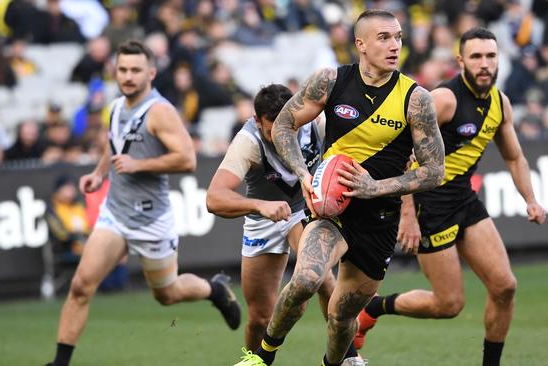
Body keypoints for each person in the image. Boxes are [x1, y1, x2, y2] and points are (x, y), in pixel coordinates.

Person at [233, 9, 445, 366]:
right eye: (384, 38)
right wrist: (303, 174)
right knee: (306, 279)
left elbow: (435, 171)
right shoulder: (331, 81)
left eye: (398, 38)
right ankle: (263, 356)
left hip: (379, 218)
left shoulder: (416, 99)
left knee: (342, 315)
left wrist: (373, 187)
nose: (394, 46)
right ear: (360, 44)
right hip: (332, 211)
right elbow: (284, 123)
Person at [354, 28, 547, 366]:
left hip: (463, 198)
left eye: (490, 56)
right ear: (461, 61)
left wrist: (530, 198)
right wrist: (408, 214)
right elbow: (404, 156)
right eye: (476, 57)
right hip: (430, 203)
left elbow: (514, 157)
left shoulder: (501, 103)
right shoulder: (444, 100)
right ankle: (373, 307)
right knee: (449, 305)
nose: (484, 64)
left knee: (505, 287)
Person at [45, 40, 241, 366]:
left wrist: (139, 165)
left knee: (167, 294)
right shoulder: (117, 106)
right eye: (122, 69)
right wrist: (98, 173)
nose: (128, 76)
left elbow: (187, 159)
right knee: (80, 286)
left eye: (136, 70)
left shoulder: (160, 111)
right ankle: (59, 363)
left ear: (150, 73)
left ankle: (215, 291)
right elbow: (115, 144)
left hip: (151, 220)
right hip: (116, 213)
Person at [206, 83, 336, 351]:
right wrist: (259, 206)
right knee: (259, 318)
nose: (281, 136)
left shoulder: (314, 122)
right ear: (257, 120)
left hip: (304, 209)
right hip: (264, 219)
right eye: (272, 130)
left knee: (321, 276)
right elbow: (214, 197)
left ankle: (348, 355)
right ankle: (257, 359)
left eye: (289, 127)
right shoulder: (248, 141)